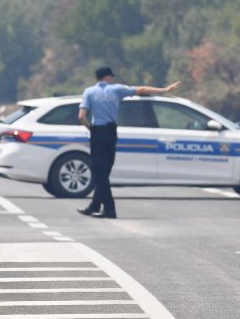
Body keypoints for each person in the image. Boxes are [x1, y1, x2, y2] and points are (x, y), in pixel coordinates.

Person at [77, 66, 180, 219]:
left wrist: (90, 128)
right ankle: (95, 206)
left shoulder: (89, 92)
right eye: (111, 76)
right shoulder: (117, 90)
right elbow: (142, 89)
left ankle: (110, 209)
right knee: (104, 172)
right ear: (107, 77)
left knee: (99, 173)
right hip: (111, 132)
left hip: (98, 132)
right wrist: (165, 90)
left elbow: (81, 117)